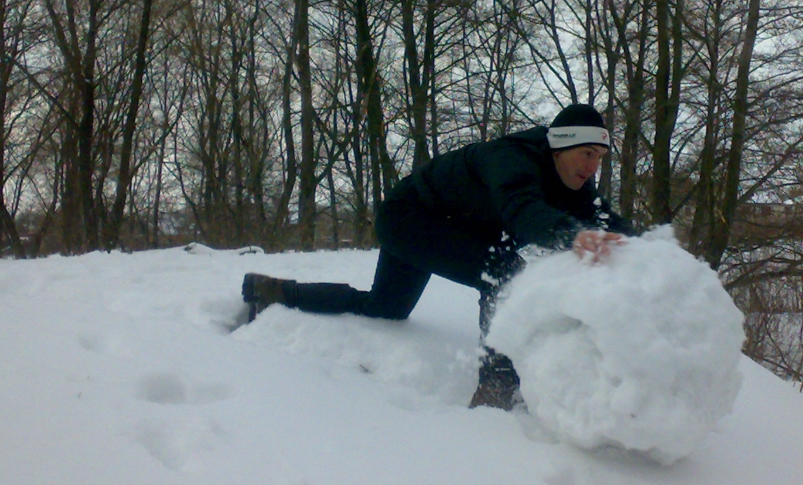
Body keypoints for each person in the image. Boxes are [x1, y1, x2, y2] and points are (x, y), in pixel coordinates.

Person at [241, 103, 634, 410]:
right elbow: (522, 209)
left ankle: (274, 291)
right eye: (587, 153)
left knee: (385, 308)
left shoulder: (572, 182)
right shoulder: (511, 158)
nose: (592, 167)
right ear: (561, 145)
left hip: (438, 226)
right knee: (502, 270)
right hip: (407, 219)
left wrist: (650, 246)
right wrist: (572, 235)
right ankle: (496, 385)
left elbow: (607, 220)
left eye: (600, 157)